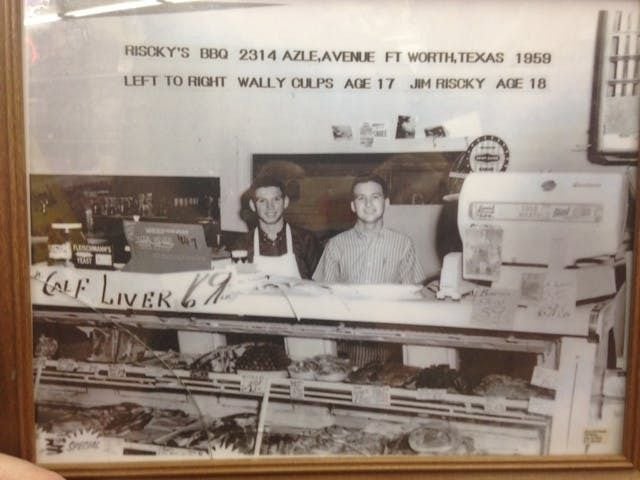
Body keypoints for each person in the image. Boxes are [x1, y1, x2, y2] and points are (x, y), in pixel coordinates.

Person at [313, 174, 424, 284]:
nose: (368, 204)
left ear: (386, 203)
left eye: (375, 197)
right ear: (353, 206)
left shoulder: (404, 244)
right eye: (361, 198)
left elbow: (412, 293)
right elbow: (324, 293)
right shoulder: (335, 245)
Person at [244, 176, 321, 279]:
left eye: (276, 199)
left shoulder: (306, 241)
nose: (270, 207)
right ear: (252, 205)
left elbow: (321, 285)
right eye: (262, 201)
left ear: (285, 202)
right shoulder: (243, 244)